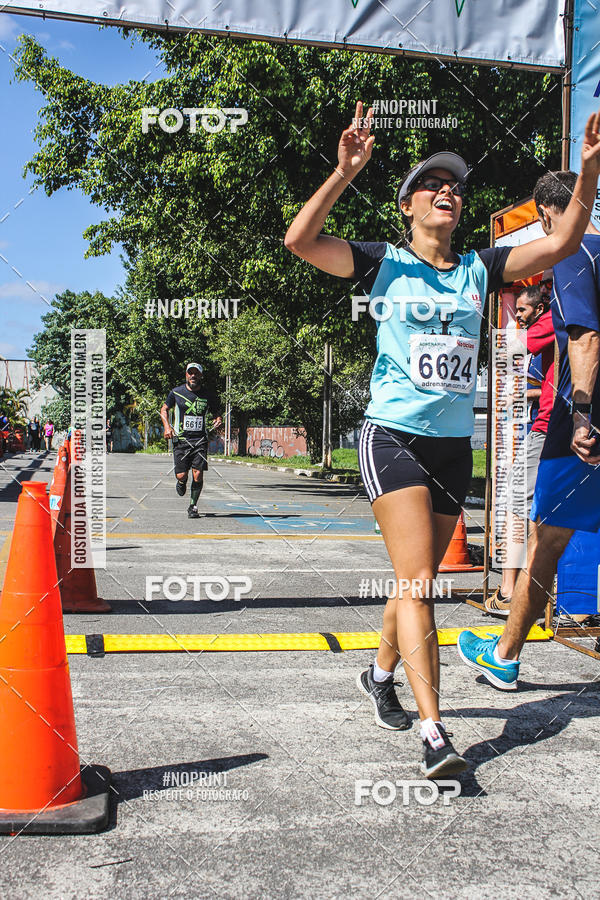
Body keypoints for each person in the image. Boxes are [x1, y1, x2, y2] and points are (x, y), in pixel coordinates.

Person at [285, 102, 600, 777]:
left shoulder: (481, 267)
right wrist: (344, 173)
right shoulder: (383, 263)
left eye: (454, 185)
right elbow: (301, 240)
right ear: (407, 207)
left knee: (413, 580)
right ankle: (435, 735)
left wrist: (590, 171)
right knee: (420, 583)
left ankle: (378, 676)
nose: (447, 192)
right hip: (392, 438)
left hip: (454, 449)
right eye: (432, 185)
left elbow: (564, 241)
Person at [459, 167, 600, 689]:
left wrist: (582, 414)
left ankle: (505, 655)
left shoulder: (572, 253)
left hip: (579, 427)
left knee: (546, 541)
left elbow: (584, 337)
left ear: (544, 216)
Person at [485, 284, 555, 616]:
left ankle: (513, 591)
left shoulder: (555, 319)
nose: (519, 317)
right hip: (559, 421)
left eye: (523, 311)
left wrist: (508, 334)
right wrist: (529, 394)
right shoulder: (575, 322)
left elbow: (513, 349)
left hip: (548, 425)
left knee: (515, 502)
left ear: (540, 308)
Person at [160, 363, 223, 519]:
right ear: (186, 375)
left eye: (196, 373)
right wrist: (167, 427)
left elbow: (216, 412)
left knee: (198, 474)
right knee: (181, 475)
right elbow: (164, 409)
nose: (193, 376)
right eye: (190, 373)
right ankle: (181, 483)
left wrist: (218, 419)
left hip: (200, 440)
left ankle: (193, 506)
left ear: (201, 376)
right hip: (181, 440)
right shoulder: (176, 392)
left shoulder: (207, 395)